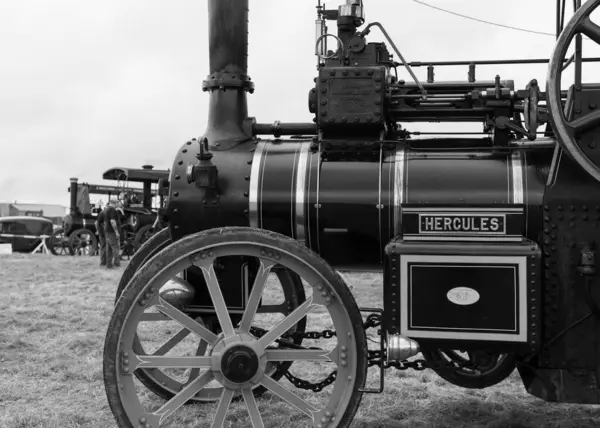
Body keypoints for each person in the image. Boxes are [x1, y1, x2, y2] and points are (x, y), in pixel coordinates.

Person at [104, 197, 122, 268]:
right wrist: (116, 231)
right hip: (112, 232)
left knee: (109, 248)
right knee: (115, 247)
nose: (118, 203)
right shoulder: (112, 210)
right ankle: (117, 263)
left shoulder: (107, 209)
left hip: (107, 231)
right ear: (115, 202)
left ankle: (109, 264)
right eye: (118, 202)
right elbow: (112, 221)